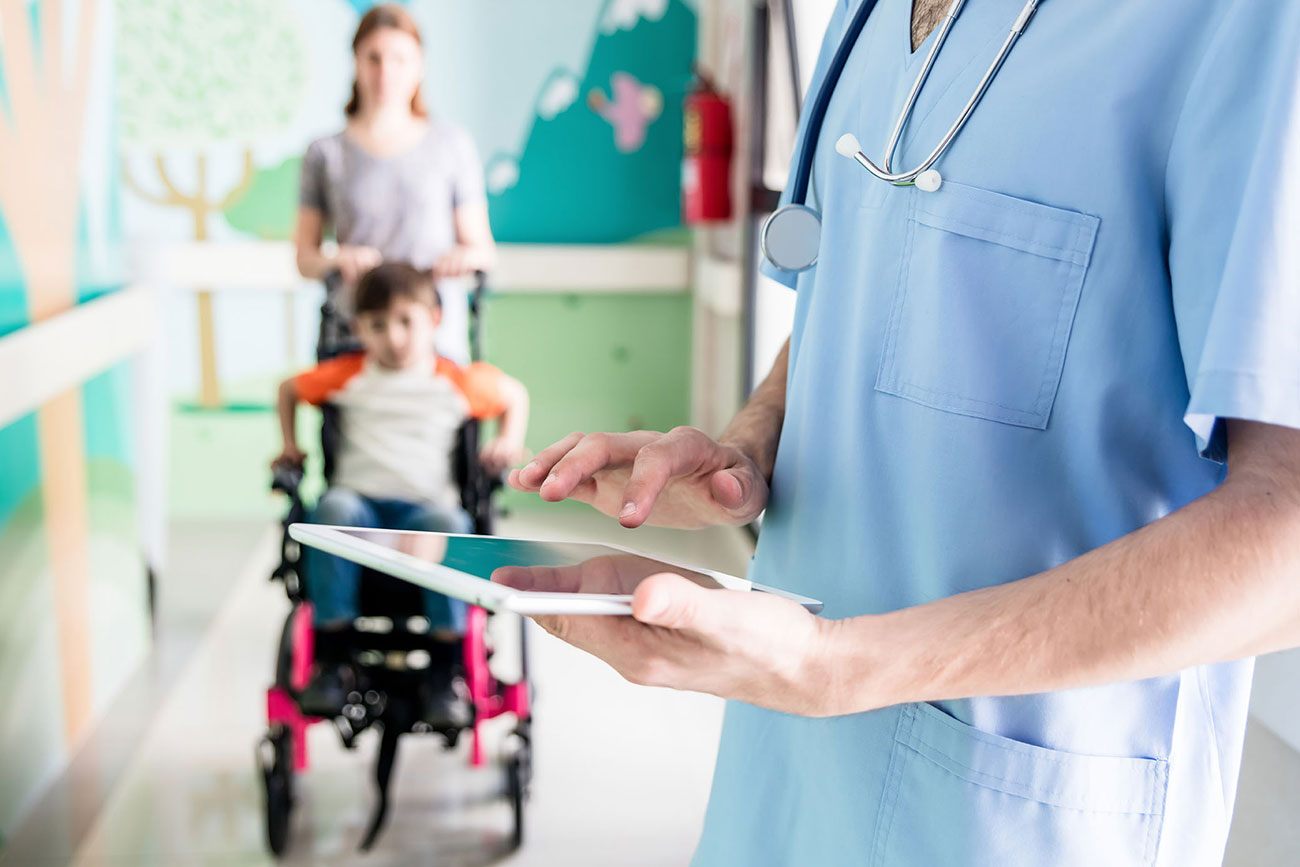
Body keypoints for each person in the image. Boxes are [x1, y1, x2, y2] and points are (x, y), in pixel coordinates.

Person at [507, 1, 1300, 864]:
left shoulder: (1248, 26)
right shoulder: (869, 14)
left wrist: (842, 664)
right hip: (785, 783)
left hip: (1013, 814)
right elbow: (864, 273)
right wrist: (748, 447)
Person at [274, 263, 528, 724]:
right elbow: (288, 389)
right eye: (377, 325)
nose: (393, 337)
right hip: (360, 510)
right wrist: (289, 445)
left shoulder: (458, 380)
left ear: (434, 318)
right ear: (357, 329)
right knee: (330, 508)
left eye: (406, 321)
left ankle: (445, 673)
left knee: (453, 525)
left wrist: (507, 439)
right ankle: (334, 662)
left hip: (427, 513)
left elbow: (515, 394)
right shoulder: (347, 374)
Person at [294, 3, 495, 362]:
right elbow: (304, 259)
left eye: (399, 59)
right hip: (356, 333)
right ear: (356, 63)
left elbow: (483, 250)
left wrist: (461, 258)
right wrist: (340, 258)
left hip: (434, 339)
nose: (385, 71)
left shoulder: (452, 146)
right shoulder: (324, 153)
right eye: (373, 58)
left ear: (420, 65)